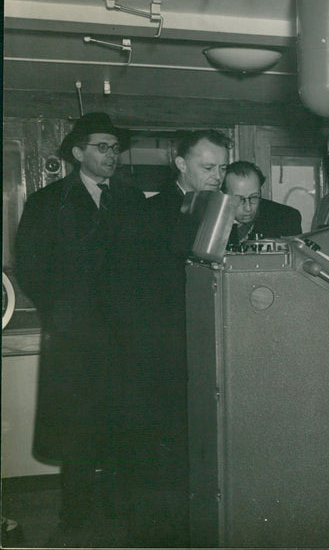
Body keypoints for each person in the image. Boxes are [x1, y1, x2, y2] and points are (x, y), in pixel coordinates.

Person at [13, 112, 145, 531]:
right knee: (77, 434)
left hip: (124, 338)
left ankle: (121, 519)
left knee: (122, 429)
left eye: (115, 148)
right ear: (77, 152)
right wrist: (62, 314)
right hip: (74, 340)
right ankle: (74, 522)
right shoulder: (48, 201)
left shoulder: (131, 198)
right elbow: (31, 268)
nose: (112, 155)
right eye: (102, 147)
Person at [116, 129, 229, 546]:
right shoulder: (154, 212)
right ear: (180, 164)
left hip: (197, 348)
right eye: (207, 166)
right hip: (160, 355)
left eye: (221, 167)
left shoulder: (211, 207)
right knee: (164, 458)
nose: (217, 175)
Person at [222, 161, 302, 246]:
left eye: (254, 197)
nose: (248, 208)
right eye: (239, 199)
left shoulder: (286, 218)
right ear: (223, 195)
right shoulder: (210, 220)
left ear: (261, 191)